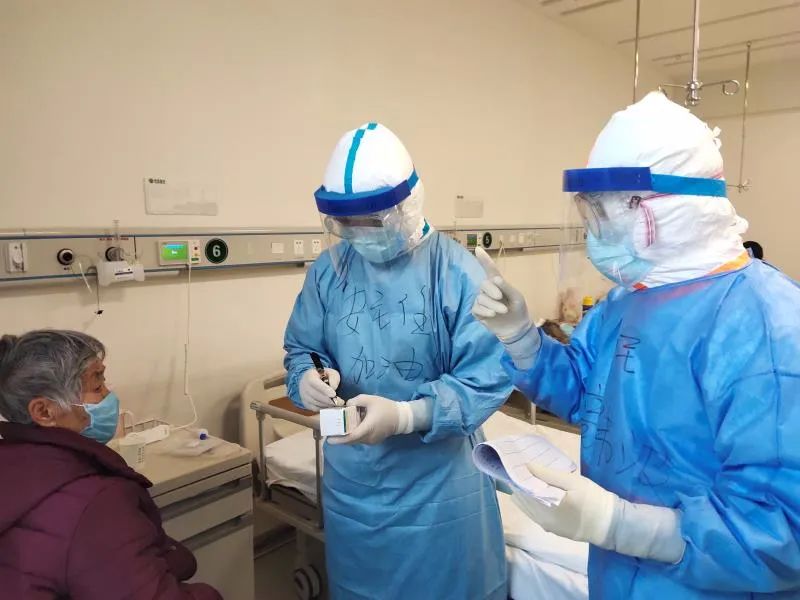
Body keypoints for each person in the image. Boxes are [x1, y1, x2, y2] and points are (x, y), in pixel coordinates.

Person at [472, 92, 800, 598]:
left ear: (670, 212)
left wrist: (622, 524)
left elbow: (782, 530)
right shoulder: (626, 301)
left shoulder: (768, 325)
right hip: (616, 576)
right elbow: (585, 394)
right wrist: (519, 335)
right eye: (589, 216)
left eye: (606, 216)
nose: (594, 234)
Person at [284, 122, 511, 599]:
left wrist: (406, 415)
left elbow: (486, 378)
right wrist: (307, 376)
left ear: (407, 206)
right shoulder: (329, 271)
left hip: (438, 492)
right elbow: (303, 347)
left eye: (370, 222)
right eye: (346, 224)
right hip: (352, 487)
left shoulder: (457, 272)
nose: (357, 234)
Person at [0, 330, 222, 600]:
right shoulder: (96, 501)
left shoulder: (14, 466)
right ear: (44, 412)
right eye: (97, 387)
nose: (109, 396)